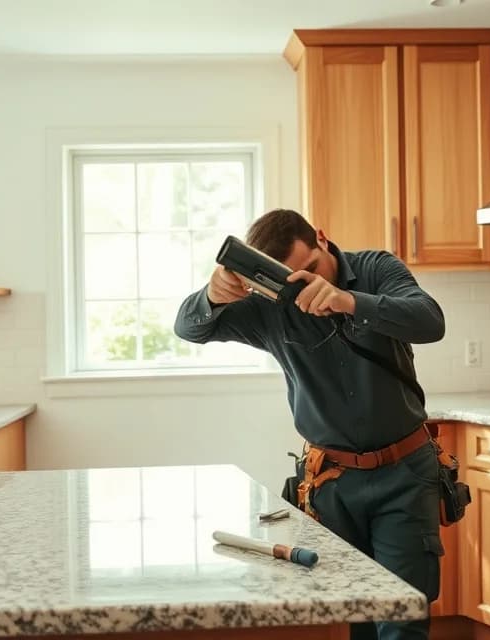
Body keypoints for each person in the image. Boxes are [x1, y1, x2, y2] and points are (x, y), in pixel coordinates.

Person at [173, 208, 446, 640]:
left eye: (311, 271)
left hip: (405, 475)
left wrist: (346, 300)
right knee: (348, 610)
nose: (304, 286)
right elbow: (189, 328)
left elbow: (430, 320)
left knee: (402, 616)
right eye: (290, 278)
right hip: (330, 484)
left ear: (321, 237)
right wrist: (211, 294)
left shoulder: (375, 268)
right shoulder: (269, 307)